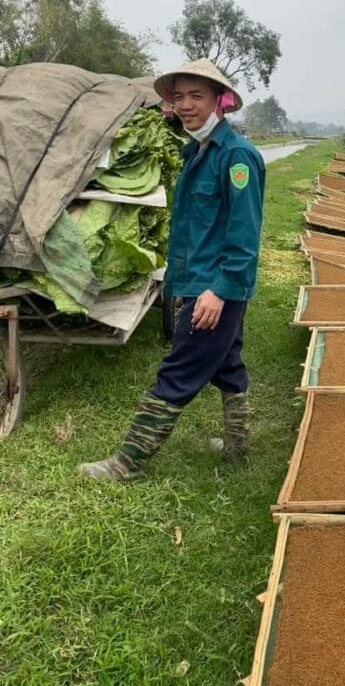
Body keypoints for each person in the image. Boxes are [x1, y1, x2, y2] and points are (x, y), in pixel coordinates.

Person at [80, 59, 265, 480]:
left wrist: (218, 291)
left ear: (221, 100)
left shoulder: (236, 158)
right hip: (198, 280)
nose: (185, 105)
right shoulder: (195, 150)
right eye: (178, 96)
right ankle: (237, 449)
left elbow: (244, 236)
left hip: (215, 288)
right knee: (228, 364)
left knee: (178, 371)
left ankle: (127, 463)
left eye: (196, 96)